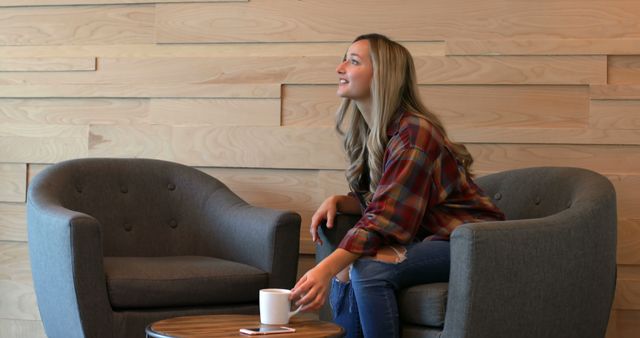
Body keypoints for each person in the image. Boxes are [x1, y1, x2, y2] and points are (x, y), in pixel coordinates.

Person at [289, 33, 505, 338]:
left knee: (367, 269)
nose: (340, 68)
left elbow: (386, 218)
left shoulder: (415, 132)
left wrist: (323, 269)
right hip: (427, 240)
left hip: (470, 243)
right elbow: (387, 197)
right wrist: (343, 201)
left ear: (382, 75)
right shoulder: (372, 132)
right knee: (347, 267)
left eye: (352, 61)